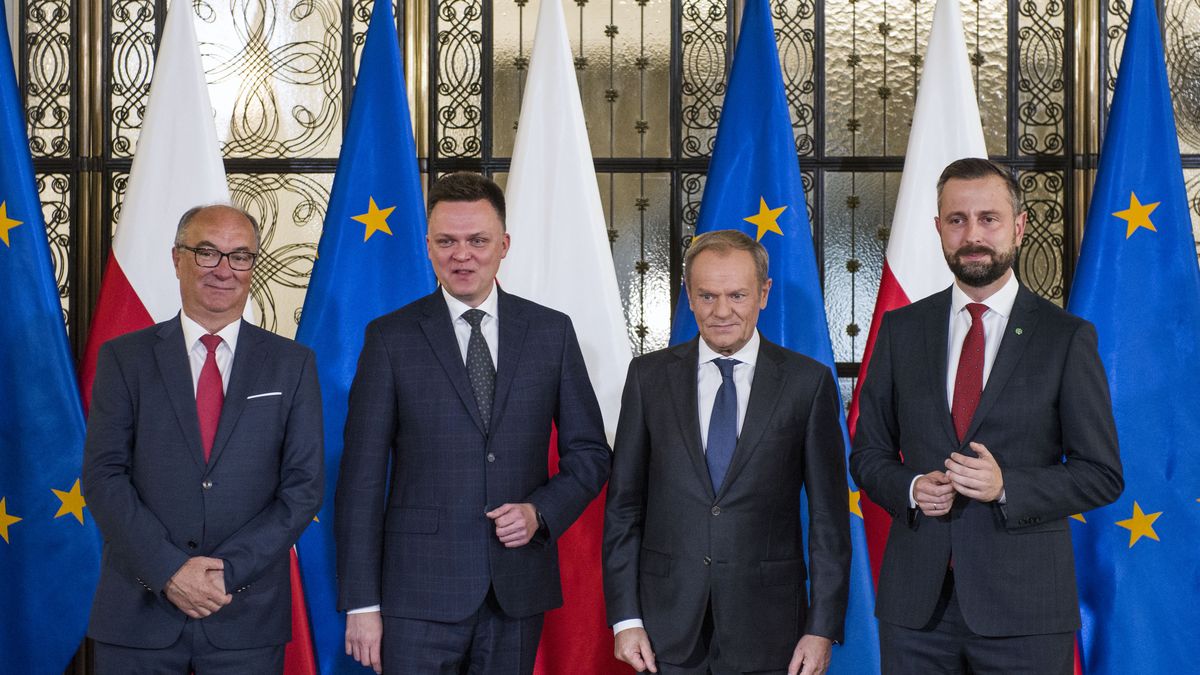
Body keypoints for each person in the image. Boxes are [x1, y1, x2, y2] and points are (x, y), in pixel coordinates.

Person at [850, 158, 1124, 674]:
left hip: (1026, 612)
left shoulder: (1065, 338)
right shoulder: (901, 330)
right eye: (957, 220)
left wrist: (1006, 487)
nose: (972, 234)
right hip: (915, 612)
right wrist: (910, 488)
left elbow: (1102, 474)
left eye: (988, 219)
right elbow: (868, 455)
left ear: (1018, 227)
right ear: (938, 229)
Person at [335, 172, 611, 674]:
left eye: (477, 241)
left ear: (503, 245)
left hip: (516, 588)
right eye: (447, 241)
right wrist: (361, 604)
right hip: (415, 596)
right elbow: (361, 480)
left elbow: (591, 454)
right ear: (428, 246)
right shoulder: (390, 338)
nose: (462, 255)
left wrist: (539, 513)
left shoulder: (551, 332)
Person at [82, 204, 325, 673]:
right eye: (207, 252)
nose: (223, 270)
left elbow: (303, 487)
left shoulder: (291, 364)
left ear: (254, 265)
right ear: (177, 259)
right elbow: (104, 476)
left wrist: (223, 573)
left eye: (240, 256)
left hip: (246, 615)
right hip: (139, 612)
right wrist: (170, 570)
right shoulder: (124, 359)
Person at [603, 229, 851, 675]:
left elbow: (830, 521)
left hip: (772, 631)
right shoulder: (647, 378)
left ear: (763, 293)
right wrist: (626, 618)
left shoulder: (806, 384)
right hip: (665, 631)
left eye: (737, 295)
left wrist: (822, 628)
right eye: (707, 295)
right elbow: (623, 507)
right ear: (689, 296)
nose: (721, 311)